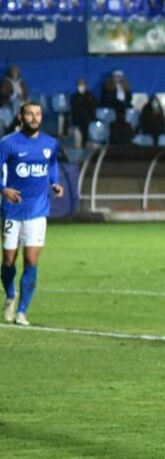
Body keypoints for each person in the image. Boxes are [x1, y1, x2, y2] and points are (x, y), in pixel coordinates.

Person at [1, 102, 65, 326]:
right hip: (12, 209)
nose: (34, 117)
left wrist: (55, 183)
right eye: (29, 114)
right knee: (8, 261)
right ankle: (11, 295)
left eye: (37, 114)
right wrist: (3, 189)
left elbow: (52, 164)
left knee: (31, 260)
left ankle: (22, 312)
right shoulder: (7, 143)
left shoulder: (50, 143)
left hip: (38, 210)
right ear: (21, 117)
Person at [69, 78, 98, 146]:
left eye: (83, 85)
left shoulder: (90, 96)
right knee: (79, 140)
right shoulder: (74, 97)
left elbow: (94, 106)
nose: (81, 87)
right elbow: (74, 111)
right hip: (78, 122)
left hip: (89, 121)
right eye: (80, 85)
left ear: (86, 86)